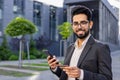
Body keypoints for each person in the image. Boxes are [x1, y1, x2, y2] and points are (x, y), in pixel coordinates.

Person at [47, 5, 112, 80]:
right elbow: (65, 75)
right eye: (76, 23)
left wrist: (82, 74)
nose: (79, 27)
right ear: (72, 26)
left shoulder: (101, 48)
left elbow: (107, 78)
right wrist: (55, 67)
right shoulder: (70, 48)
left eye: (83, 22)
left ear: (90, 24)